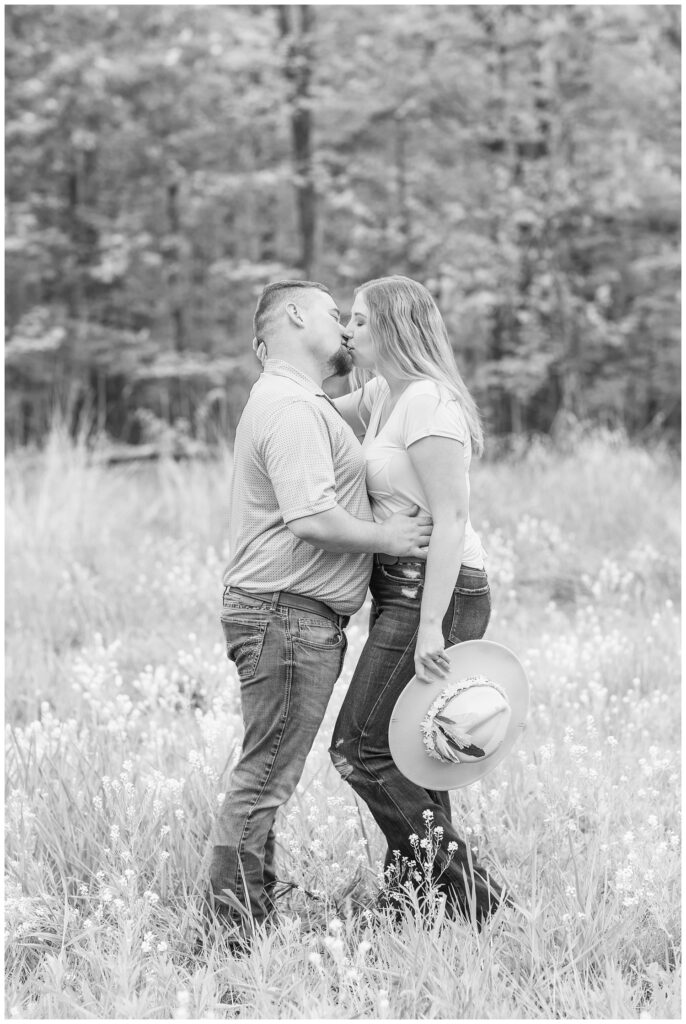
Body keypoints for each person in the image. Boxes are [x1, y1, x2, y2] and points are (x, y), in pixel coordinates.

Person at [209, 279, 432, 945]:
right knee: (264, 778)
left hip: (289, 616)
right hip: (286, 615)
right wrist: (387, 540)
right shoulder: (291, 408)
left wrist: (395, 354)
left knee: (265, 772)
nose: (343, 328)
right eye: (337, 316)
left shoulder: (300, 402)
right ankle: (234, 935)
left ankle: (246, 914)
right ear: (297, 316)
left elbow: (370, 399)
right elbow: (311, 517)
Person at [329, 275, 507, 925]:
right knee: (416, 753)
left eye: (357, 321)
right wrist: (317, 345)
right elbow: (311, 408)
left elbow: (453, 518)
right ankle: (420, 905)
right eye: (343, 320)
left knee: (362, 748)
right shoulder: (381, 394)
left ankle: (478, 894)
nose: (347, 330)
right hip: (400, 587)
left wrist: (431, 624)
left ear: (395, 329)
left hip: (439, 590)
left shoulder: (429, 402)